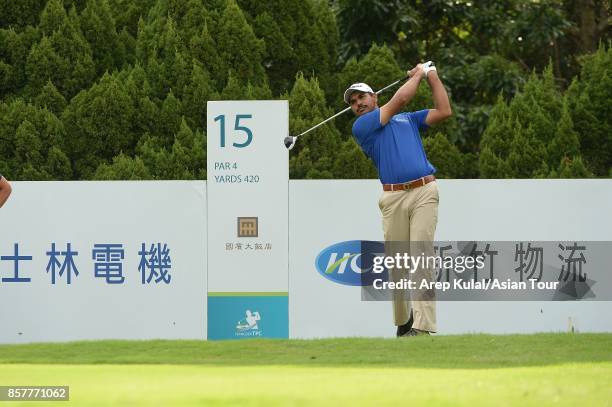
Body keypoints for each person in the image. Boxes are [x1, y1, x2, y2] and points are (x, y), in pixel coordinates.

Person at [345, 62, 452, 337]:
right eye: (353, 101)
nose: (358, 103)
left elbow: (444, 111)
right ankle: (404, 321)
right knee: (399, 265)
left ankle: (423, 326)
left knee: (420, 256)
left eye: (362, 97)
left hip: (424, 191)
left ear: (374, 97)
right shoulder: (363, 126)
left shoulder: (409, 119)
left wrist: (432, 76)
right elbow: (401, 98)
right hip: (392, 198)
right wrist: (418, 73)